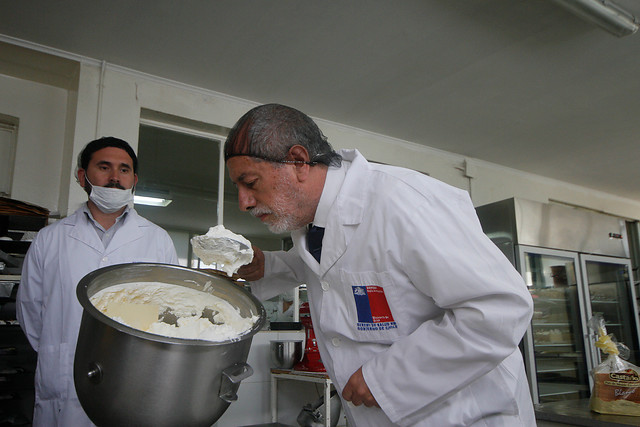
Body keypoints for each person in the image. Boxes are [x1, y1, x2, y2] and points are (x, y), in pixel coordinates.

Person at [225, 104, 536, 426]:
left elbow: (499, 308)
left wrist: (389, 378)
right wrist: (268, 266)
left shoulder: (405, 202)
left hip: (463, 414)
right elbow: (332, 264)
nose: (244, 202)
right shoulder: (316, 224)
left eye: (250, 182)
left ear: (300, 162)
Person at [17, 137, 178, 426]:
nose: (115, 177)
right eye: (104, 167)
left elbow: (166, 313)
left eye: (124, 170)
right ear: (82, 176)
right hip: (64, 382)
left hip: (133, 379)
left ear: (134, 180)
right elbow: (31, 312)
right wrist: (60, 348)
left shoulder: (157, 240)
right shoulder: (49, 239)